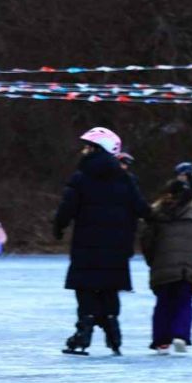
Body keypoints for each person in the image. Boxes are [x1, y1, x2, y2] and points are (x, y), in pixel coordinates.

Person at [55, 127, 150, 356]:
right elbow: (142, 209)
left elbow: (68, 207)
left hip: (86, 245)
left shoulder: (81, 177)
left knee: (86, 289)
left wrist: (59, 226)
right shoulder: (126, 179)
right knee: (109, 290)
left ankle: (83, 335)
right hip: (117, 248)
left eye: (88, 146)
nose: (83, 150)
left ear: (97, 149)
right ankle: (113, 335)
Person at [140, 180, 192, 354]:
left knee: (163, 303)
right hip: (188, 268)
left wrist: (153, 261)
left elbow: (147, 242)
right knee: (184, 302)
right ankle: (181, 335)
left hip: (163, 267)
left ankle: (162, 341)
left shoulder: (156, 216)